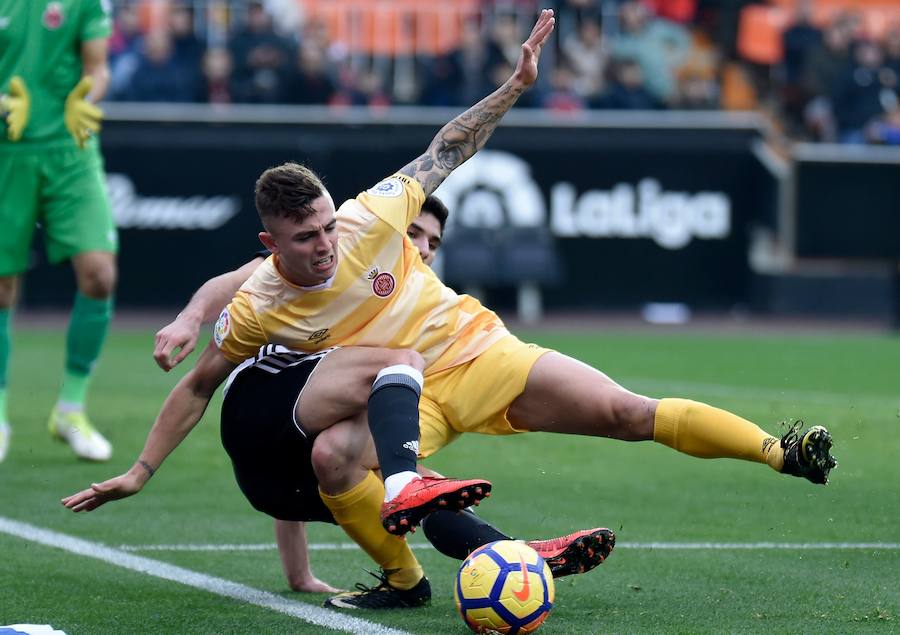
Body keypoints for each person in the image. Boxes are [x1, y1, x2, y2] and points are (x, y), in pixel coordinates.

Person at [64, 8, 836, 610]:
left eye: (330, 225)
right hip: (404, 395)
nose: (328, 245)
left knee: (625, 411)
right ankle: (408, 577)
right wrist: (140, 468)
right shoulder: (263, 299)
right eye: (307, 237)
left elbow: (449, 147)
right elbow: (202, 382)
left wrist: (515, 87)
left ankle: (779, 451)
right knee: (334, 456)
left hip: (474, 352)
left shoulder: (370, 219)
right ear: (273, 243)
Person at [150, 193, 613, 595]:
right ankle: (478, 541)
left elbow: (300, 443)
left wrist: (298, 572)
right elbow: (232, 285)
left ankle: (512, 557)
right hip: (263, 433)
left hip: (292, 476)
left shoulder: (375, 316)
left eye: (433, 242)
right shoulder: (305, 277)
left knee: (400, 477)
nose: (423, 249)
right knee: (398, 460)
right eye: (414, 233)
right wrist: (191, 317)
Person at [0, 0, 118, 463]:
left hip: (71, 150)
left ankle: (71, 408)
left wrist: (85, 101)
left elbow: (99, 69)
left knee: (99, 275)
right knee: (3, 287)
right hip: (6, 152)